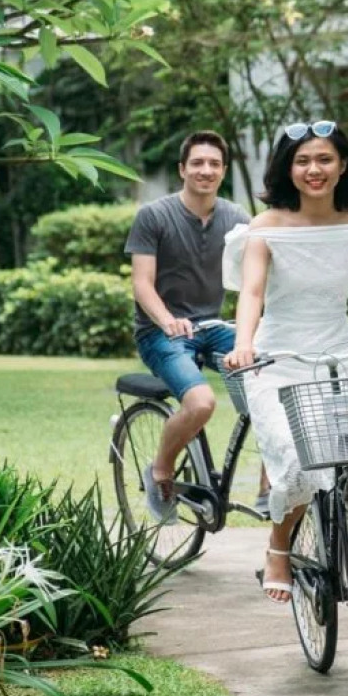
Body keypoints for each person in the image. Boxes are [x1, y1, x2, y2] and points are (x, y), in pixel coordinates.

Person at [222, 120, 348, 618]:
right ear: (287, 169)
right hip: (277, 358)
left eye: (324, 159)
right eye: (302, 161)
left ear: (342, 166)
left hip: (340, 354)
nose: (313, 170)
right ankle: (278, 550)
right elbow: (251, 292)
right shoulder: (265, 226)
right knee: (295, 458)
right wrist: (243, 344)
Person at [126, 131, 250, 524]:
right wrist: (168, 321)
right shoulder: (154, 215)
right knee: (201, 403)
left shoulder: (237, 219)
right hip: (160, 331)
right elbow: (142, 283)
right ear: (182, 169)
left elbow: (254, 282)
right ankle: (161, 470)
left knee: (274, 381)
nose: (206, 170)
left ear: (223, 171)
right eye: (197, 163)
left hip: (214, 327)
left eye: (214, 164)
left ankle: (271, 488)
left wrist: (252, 334)